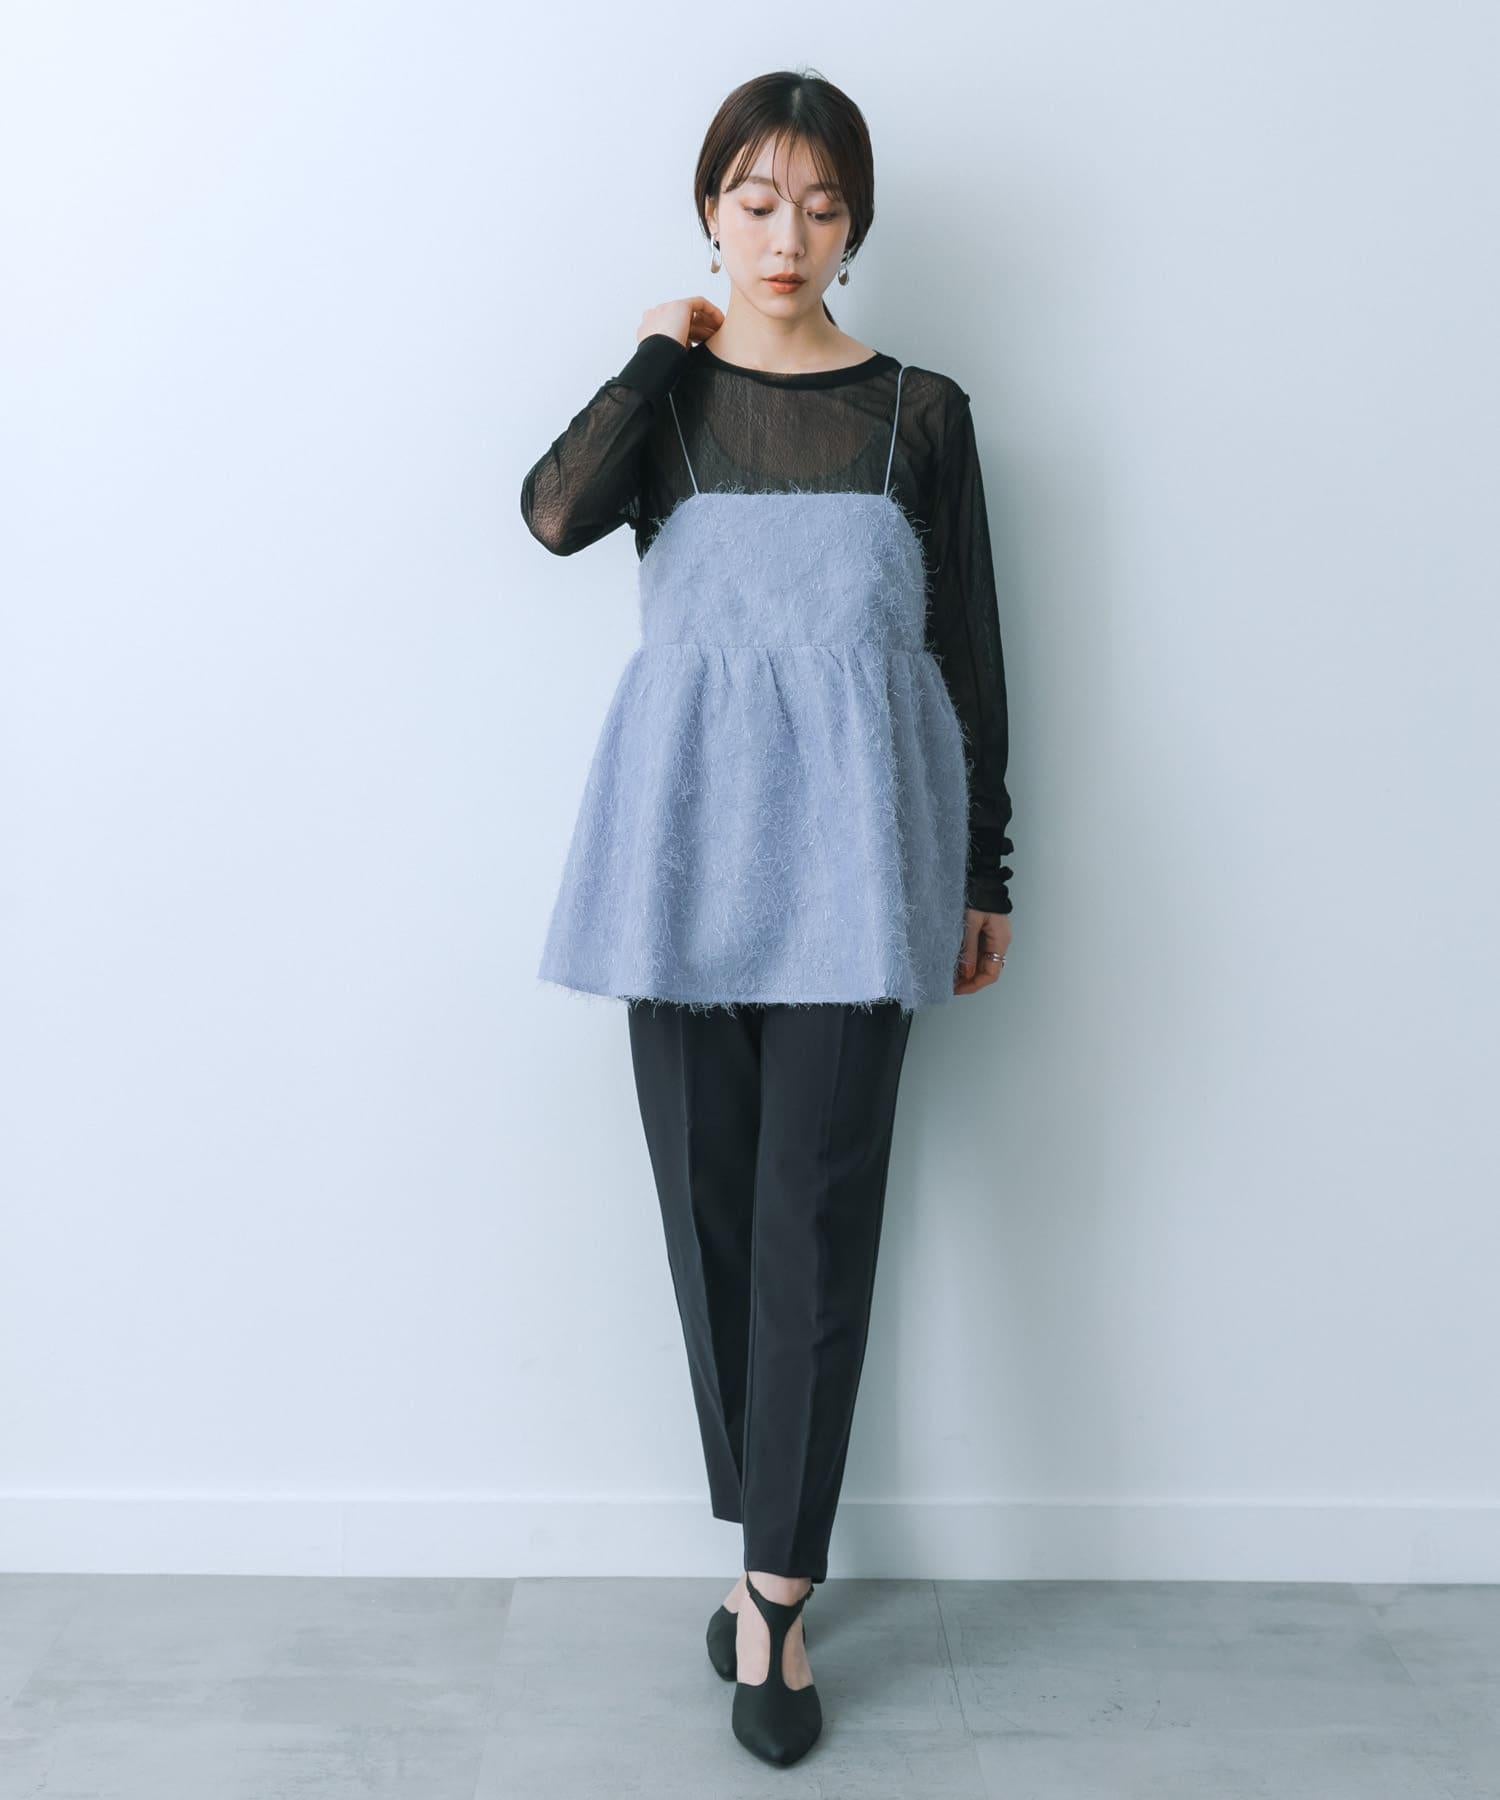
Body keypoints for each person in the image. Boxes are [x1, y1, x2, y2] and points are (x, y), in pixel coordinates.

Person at [520, 68, 1015, 1769]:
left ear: (855, 224)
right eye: (753, 199)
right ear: (710, 214)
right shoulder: (665, 410)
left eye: (818, 203)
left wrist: (988, 870)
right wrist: (654, 357)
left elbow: (970, 658)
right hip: (678, 867)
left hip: (860, 880)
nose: (784, 232)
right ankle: (763, 1545)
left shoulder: (918, 414)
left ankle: (778, 1604)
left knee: (818, 1224)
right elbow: (553, 517)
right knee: (716, 1225)